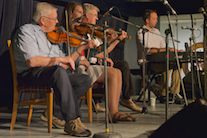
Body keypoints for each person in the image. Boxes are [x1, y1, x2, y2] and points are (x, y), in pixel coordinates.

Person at [12, 2, 95, 137]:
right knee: (58, 71)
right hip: (29, 74)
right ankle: (72, 121)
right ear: (43, 20)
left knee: (84, 79)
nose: (57, 22)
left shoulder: (50, 37)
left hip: (50, 73)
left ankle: (56, 114)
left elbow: (66, 62)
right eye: (54, 19)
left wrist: (80, 49)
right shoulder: (26, 31)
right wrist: (60, 60)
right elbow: (32, 61)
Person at [60, 1, 135, 123]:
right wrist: (80, 60)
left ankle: (114, 111)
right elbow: (64, 54)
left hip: (85, 65)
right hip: (75, 68)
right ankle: (113, 112)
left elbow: (93, 53)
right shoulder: (64, 31)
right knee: (113, 73)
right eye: (79, 12)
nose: (82, 14)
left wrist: (107, 42)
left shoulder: (82, 33)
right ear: (70, 14)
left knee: (117, 72)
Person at [82, 3, 142, 112]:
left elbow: (102, 50)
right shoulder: (82, 32)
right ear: (87, 15)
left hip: (98, 61)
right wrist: (114, 42)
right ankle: (103, 103)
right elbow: (94, 53)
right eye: (95, 15)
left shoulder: (93, 33)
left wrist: (115, 40)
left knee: (123, 64)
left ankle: (126, 98)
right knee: (114, 68)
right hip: (92, 63)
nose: (97, 18)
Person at [137, 9, 184, 103]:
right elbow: (149, 49)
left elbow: (164, 47)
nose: (156, 21)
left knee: (177, 65)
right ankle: (163, 93)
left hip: (160, 60)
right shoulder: (141, 32)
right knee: (166, 66)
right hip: (147, 61)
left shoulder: (157, 31)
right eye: (154, 19)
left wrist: (175, 50)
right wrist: (164, 50)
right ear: (147, 20)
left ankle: (173, 93)